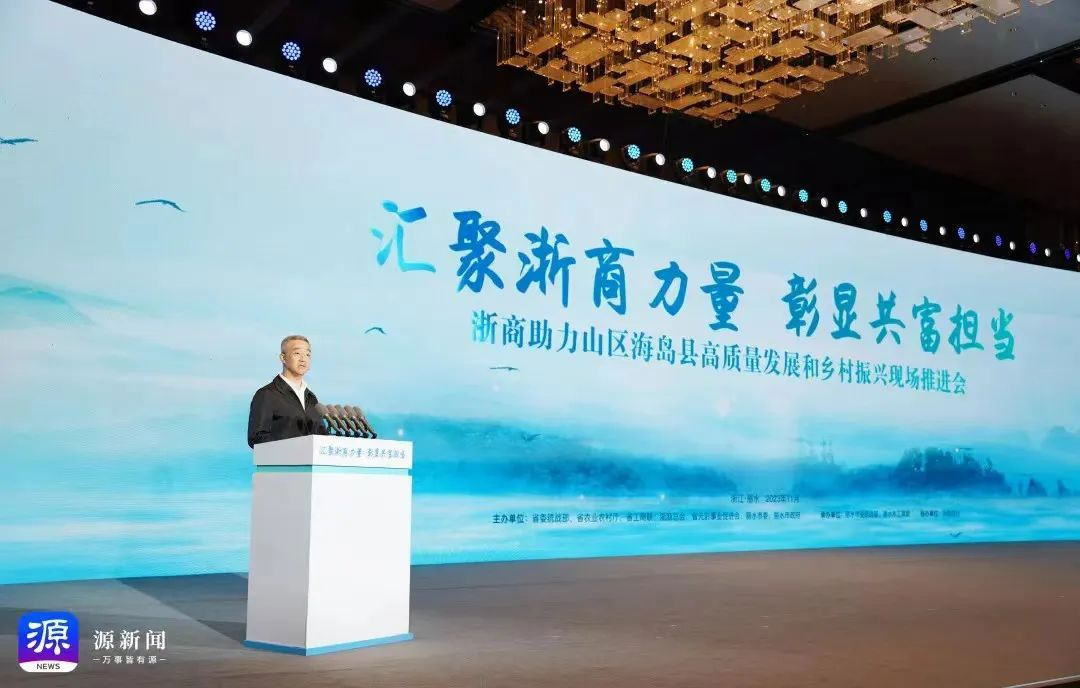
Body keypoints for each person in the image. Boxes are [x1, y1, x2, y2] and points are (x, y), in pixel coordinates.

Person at [247, 335, 321, 448]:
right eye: (297, 353)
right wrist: (294, 444)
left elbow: (319, 437)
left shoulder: (311, 398)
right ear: (283, 358)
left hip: (309, 459)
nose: (303, 359)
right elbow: (256, 438)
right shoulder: (267, 394)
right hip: (281, 459)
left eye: (307, 354)